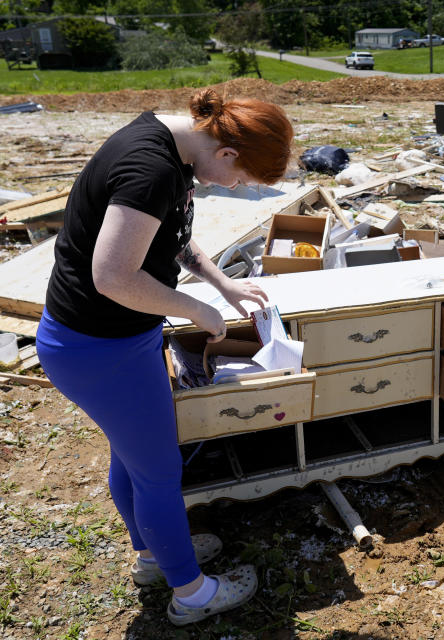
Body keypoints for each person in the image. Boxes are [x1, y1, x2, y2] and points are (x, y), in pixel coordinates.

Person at [36, 88, 293, 625]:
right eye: (242, 178)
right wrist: (195, 309)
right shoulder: (150, 169)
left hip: (106, 341)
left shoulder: (172, 148)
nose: (236, 186)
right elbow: (112, 277)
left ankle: (156, 557)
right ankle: (192, 594)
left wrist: (224, 284)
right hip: (100, 348)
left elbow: (171, 238)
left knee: (134, 457)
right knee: (157, 470)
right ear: (225, 152)